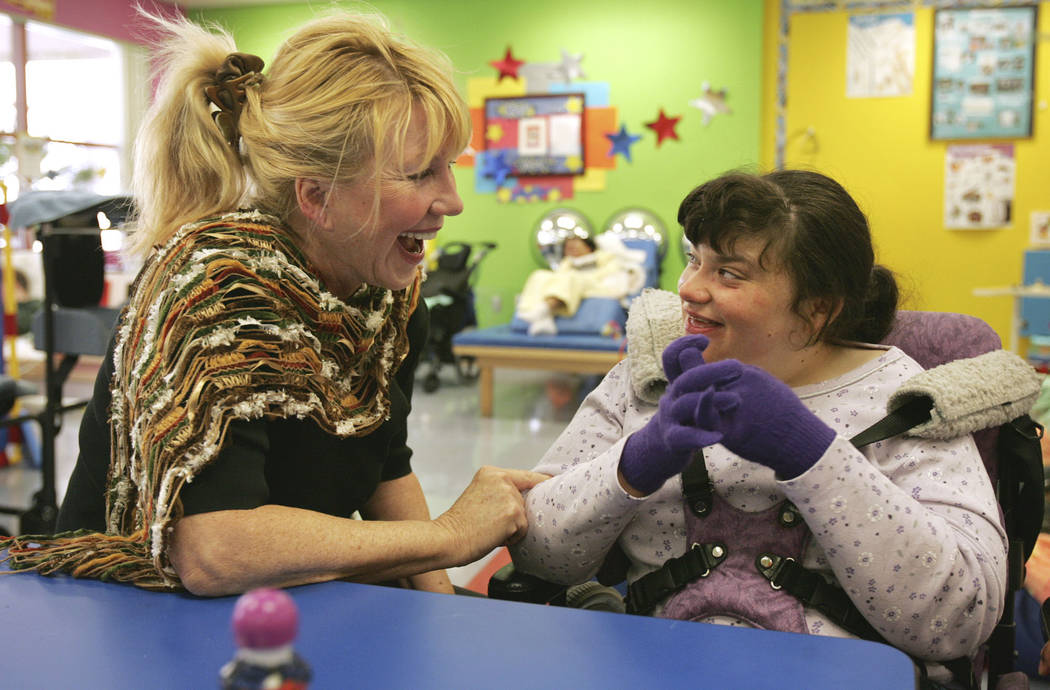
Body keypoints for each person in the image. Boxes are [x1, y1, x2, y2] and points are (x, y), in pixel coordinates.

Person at [0, 10, 547, 596]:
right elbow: (214, 552)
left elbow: (384, 464)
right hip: (133, 614)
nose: (453, 200)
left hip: (293, 599)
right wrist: (451, 535)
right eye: (419, 174)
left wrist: (443, 606)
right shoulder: (218, 288)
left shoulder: (384, 292)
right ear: (317, 197)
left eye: (450, 166)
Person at [510, 169, 1008, 686]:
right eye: (693, 260)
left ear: (819, 308)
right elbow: (537, 553)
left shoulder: (907, 403)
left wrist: (811, 455)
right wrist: (635, 462)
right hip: (653, 669)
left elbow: (958, 622)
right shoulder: (648, 382)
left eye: (729, 273)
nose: (689, 289)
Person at [515, 233, 646, 335]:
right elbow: (556, 279)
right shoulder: (566, 264)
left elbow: (613, 276)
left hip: (596, 284)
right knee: (539, 275)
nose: (571, 248)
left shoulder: (605, 258)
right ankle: (543, 315)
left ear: (588, 247)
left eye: (575, 244)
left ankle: (544, 310)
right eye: (567, 247)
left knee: (571, 277)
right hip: (572, 284)